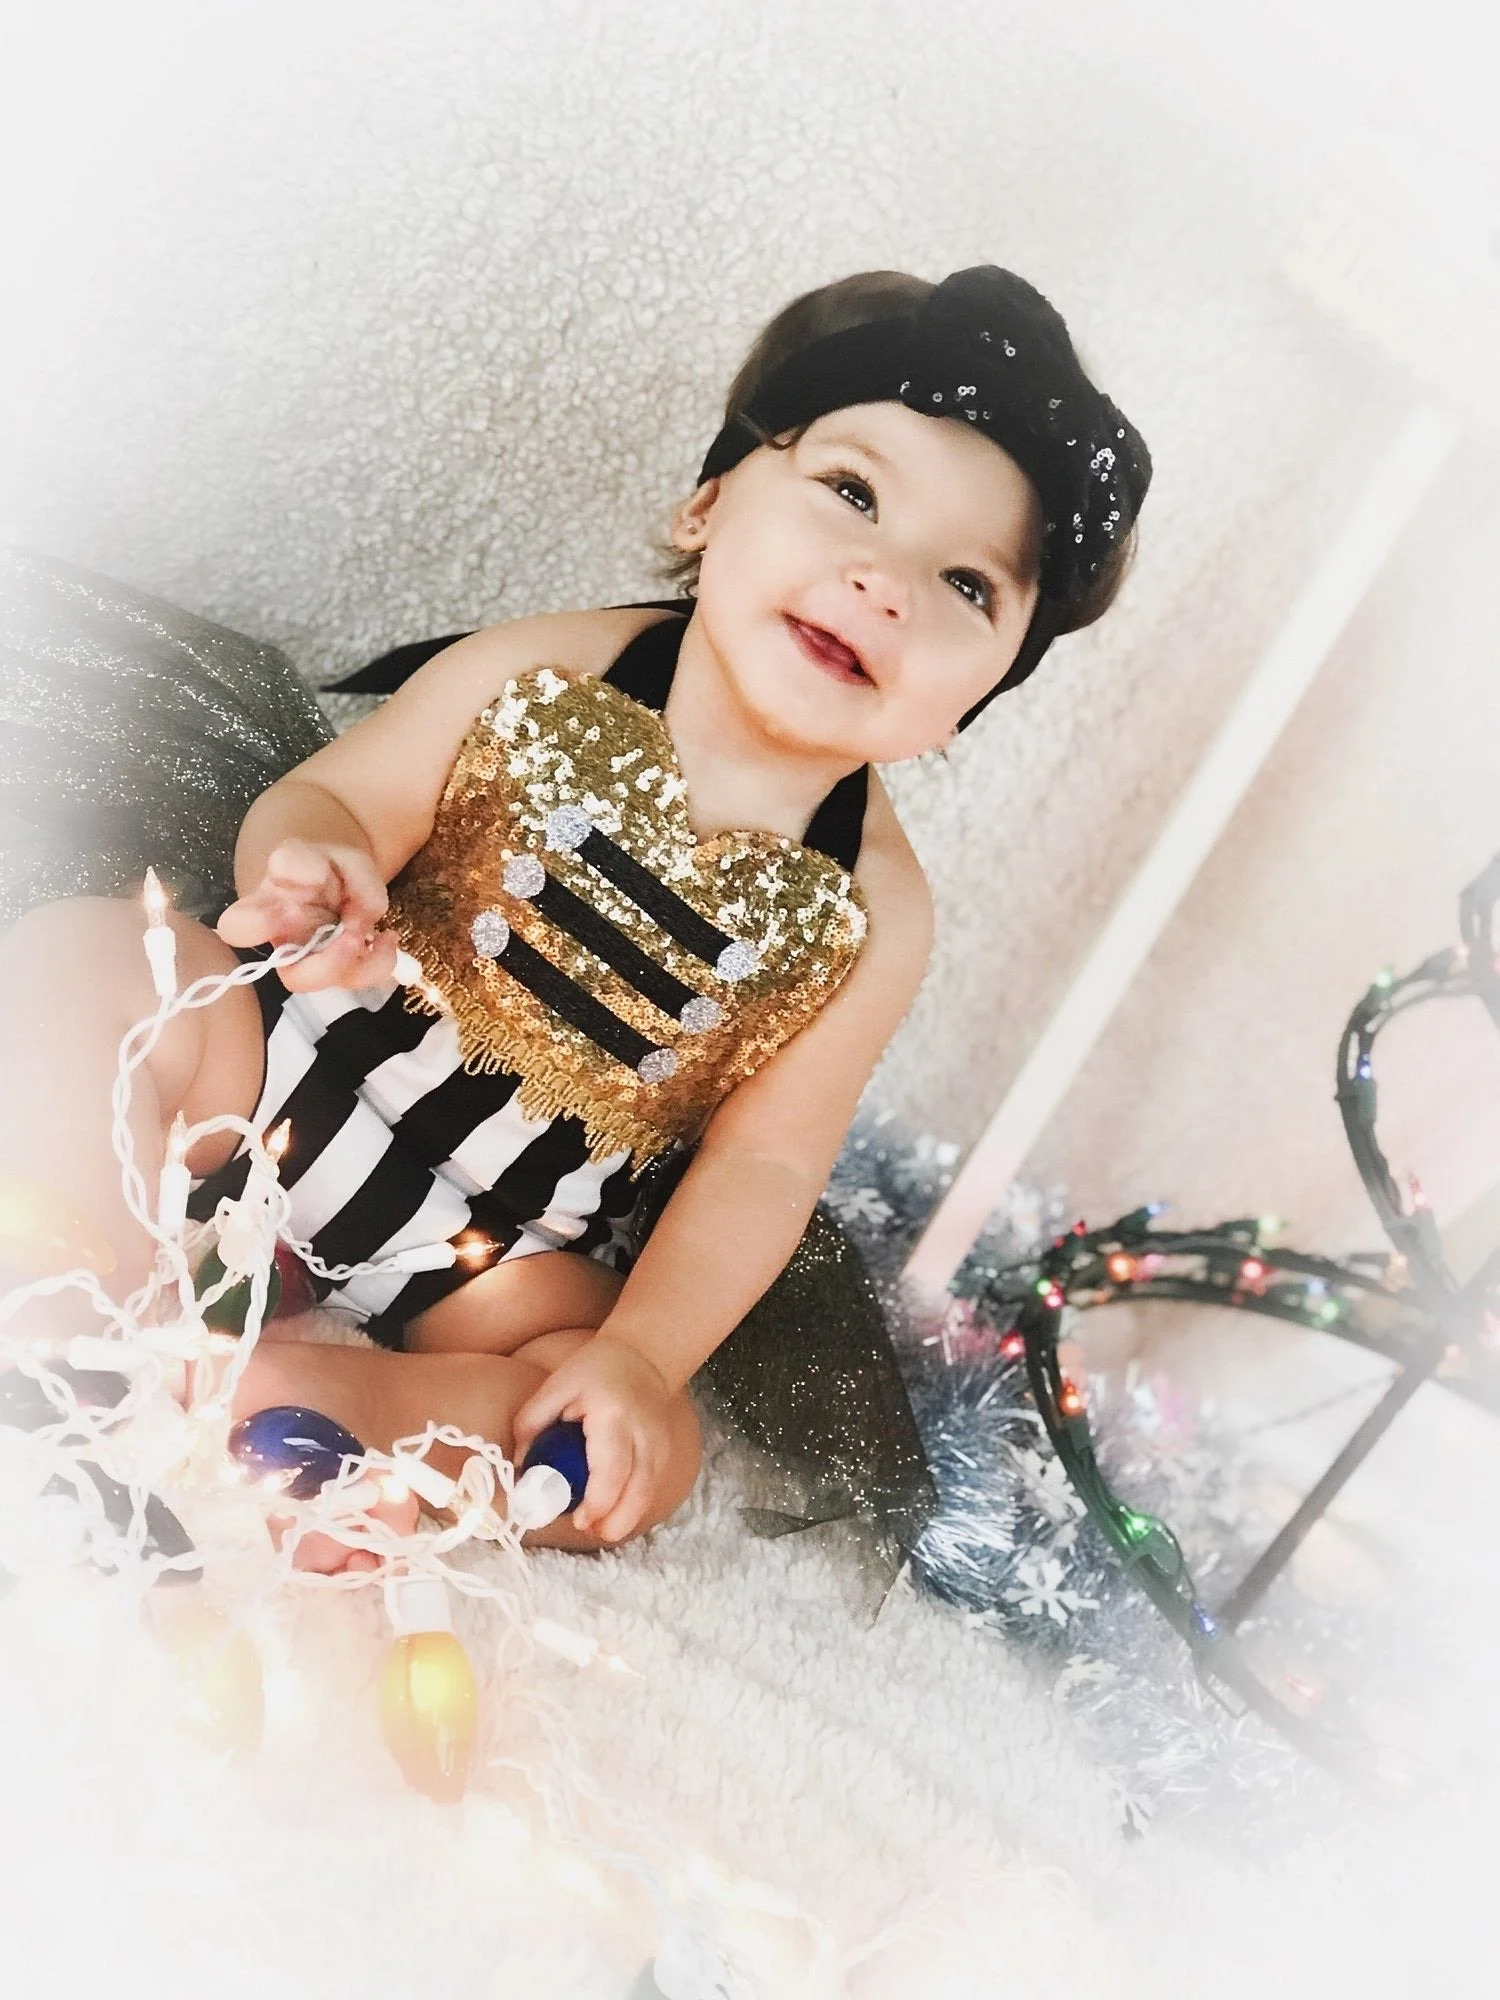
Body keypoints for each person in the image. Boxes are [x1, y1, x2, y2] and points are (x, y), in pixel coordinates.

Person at [0, 265, 1150, 1564]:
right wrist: (315, 867)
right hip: (288, 1062)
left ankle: (329, 1418)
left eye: (968, 585)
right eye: (852, 491)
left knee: (637, 1446)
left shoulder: (878, 911)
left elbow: (763, 1168)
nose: (884, 580)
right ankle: (71, 1301)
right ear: (709, 503)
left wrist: (641, 1359)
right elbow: (337, 795)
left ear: (975, 699)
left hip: (498, 1244)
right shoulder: (548, 666)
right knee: (89, 959)